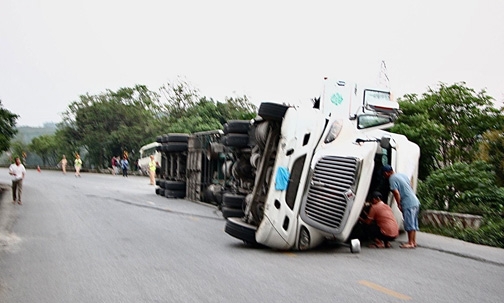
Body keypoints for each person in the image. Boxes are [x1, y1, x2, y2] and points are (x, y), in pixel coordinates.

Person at [382, 165, 420, 249]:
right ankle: (413, 241)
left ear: (386, 173)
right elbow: (410, 184)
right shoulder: (402, 175)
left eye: (384, 175)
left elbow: (396, 192)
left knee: (409, 222)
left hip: (408, 202)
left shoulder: (392, 179)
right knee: (413, 222)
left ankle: (410, 243)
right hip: (415, 201)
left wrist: (399, 204)